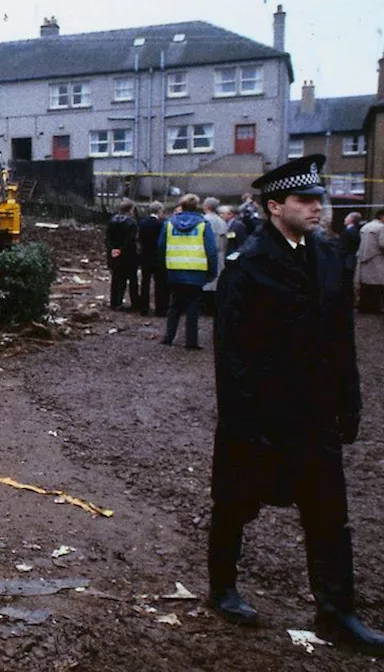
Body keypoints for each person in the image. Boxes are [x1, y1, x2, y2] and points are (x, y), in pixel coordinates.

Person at [209, 154, 384, 653]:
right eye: (304, 200)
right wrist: (244, 420)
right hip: (261, 417)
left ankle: (336, 613)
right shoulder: (248, 264)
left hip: (315, 416)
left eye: (317, 199)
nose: (316, 208)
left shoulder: (329, 255)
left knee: (330, 515)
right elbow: (232, 354)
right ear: (274, 206)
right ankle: (222, 588)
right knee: (235, 505)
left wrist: (350, 401)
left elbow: (341, 336)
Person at [158, 193, 218, 349]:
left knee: (175, 305)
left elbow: (161, 247)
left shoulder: (169, 224)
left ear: (181, 205)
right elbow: (211, 250)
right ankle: (191, 342)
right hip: (196, 272)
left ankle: (169, 337)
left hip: (174, 270)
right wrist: (212, 271)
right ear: (196, 206)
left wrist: (163, 268)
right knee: (193, 307)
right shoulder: (203, 225)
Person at [105, 198, 139, 311]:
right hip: (129, 255)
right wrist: (121, 249)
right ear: (131, 209)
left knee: (116, 279)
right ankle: (135, 302)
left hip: (113, 254)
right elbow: (131, 240)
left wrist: (113, 249)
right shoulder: (132, 222)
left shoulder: (111, 220)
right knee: (132, 280)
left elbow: (107, 238)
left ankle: (115, 302)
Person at [138, 201, 168, 316]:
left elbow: (140, 239)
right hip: (157, 257)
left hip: (145, 255)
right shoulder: (161, 224)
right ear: (159, 211)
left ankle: (144, 308)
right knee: (160, 284)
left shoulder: (142, 223)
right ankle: (160, 309)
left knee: (145, 282)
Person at [200, 197, 228, 315]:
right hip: (219, 253)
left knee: (206, 281)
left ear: (206, 206)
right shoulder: (221, 221)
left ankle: (205, 307)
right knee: (216, 281)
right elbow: (224, 239)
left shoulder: (203, 220)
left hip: (205, 254)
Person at [358, 209, 384, 313]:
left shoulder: (366, 226)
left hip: (365, 259)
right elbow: (382, 244)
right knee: (377, 286)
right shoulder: (382, 227)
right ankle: (375, 308)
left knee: (366, 286)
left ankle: (364, 307)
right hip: (377, 259)